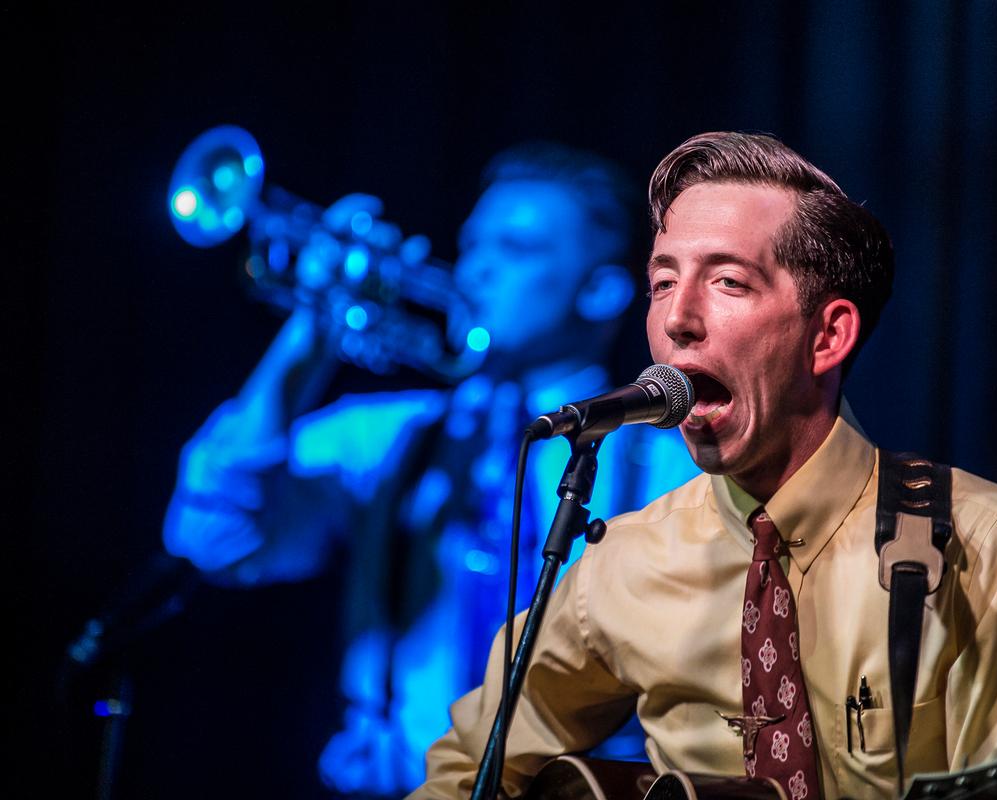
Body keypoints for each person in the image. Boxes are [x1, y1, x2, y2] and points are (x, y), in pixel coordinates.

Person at [412, 132, 997, 800]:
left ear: (827, 336)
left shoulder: (984, 543)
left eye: (728, 281)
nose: (678, 318)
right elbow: (465, 771)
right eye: (663, 281)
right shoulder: (625, 561)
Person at [161, 142, 699, 794]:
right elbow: (210, 536)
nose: (476, 270)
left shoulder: (673, 471)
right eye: (474, 245)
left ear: (601, 290)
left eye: (517, 249)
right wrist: (310, 334)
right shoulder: (387, 434)